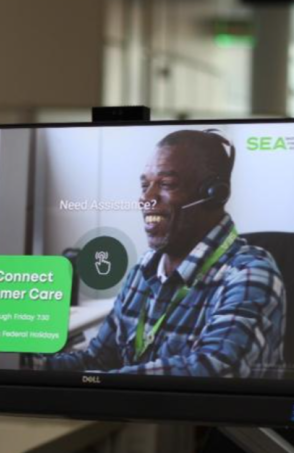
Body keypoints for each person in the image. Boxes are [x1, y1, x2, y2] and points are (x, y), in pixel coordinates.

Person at [34, 129, 285, 377]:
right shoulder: (145, 270)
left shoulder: (250, 274)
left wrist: (102, 384)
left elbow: (214, 370)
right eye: (144, 185)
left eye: (166, 184)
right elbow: (99, 359)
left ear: (214, 195)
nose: (147, 198)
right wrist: (31, 367)